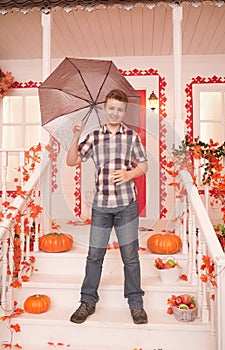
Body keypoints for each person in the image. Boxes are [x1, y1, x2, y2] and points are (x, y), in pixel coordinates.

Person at [66, 89, 148, 325]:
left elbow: (144, 165)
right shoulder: (93, 136)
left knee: (130, 257)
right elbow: (72, 161)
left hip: (126, 205)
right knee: (94, 256)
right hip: (101, 206)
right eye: (111, 108)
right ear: (104, 109)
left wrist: (129, 173)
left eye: (120, 109)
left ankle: (136, 304)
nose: (115, 112)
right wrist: (76, 136)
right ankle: (87, 302)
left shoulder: (132, 137)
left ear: (124, 112)